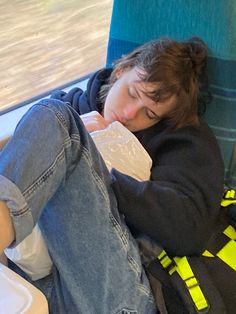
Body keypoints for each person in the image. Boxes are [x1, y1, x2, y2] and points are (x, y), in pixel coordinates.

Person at [0, 37, 224, 313]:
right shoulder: (71, 106)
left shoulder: (184, 140)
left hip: (119, 294)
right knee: (49, 115)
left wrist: (95, 168)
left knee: (55, 118)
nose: (131, 114)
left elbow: (190, 230)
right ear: (122, 70)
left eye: (150, 113)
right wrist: (78, 133)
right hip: (44, 289)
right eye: (132, 93)